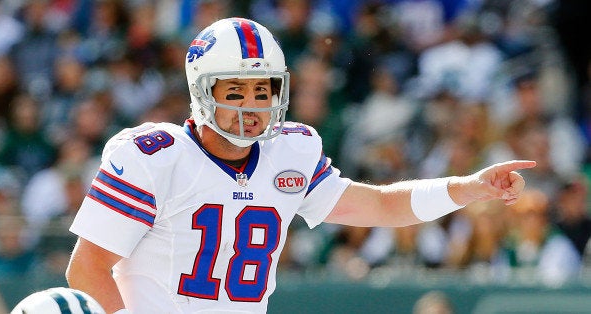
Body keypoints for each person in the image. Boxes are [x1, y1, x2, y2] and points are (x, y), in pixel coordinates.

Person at [65, 17, 536, 314]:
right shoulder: (156, 155)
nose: (252, 106)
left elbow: (380, 207)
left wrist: (466, 187)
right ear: (201, 93)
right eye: (234, 92)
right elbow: (86, 269)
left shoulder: (289, 152)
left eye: (262, 90)